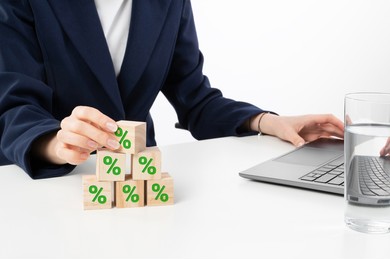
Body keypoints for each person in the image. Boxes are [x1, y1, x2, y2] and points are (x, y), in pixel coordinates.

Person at [0, 0, 344, 179]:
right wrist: (55, 144)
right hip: (43, 181)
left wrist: (266, 121)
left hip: (139, 183)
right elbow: (14, 105)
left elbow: (195, 98)